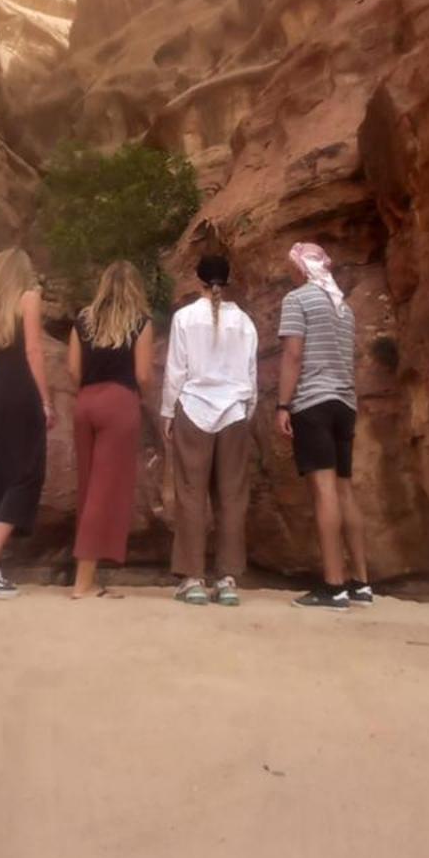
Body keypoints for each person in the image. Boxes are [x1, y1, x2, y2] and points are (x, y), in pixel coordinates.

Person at [275, 242, 373, 610]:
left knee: (324, 489)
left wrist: (283, 404)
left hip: (313, 401)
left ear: (301, 269)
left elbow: (293, 354)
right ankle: (361, 582)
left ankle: (334, 586)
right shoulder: (343, 308)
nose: (290, 272)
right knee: (345, 490)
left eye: (291, 266)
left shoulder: (298, 299)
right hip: (345, 404)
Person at [161, 253, 258, 606]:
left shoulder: (185, 318)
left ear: (198, 279)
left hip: (194, 408)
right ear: (227, 280)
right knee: (232, 495)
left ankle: (193, 578)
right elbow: (251, 375)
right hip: (233, 411)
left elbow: (176, 371)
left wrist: (167, 411)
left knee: (191, 492)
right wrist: (247, 410)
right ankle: (228, 579)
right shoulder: (245, 322)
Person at [0, 248, 54, 599]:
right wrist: (45, 400)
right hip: (19, 390)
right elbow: (33, 351)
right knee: (26, 475)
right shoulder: (29, 298)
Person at [68, 261, 154, 598]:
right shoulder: (141, 323)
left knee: (88, 488)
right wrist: (138, 398)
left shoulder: (82, 321)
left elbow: (74, 371)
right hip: (119, 403)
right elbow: (144, 375)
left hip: (85, 401)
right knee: (104, 492)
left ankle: (87, 576)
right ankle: (83, 583)